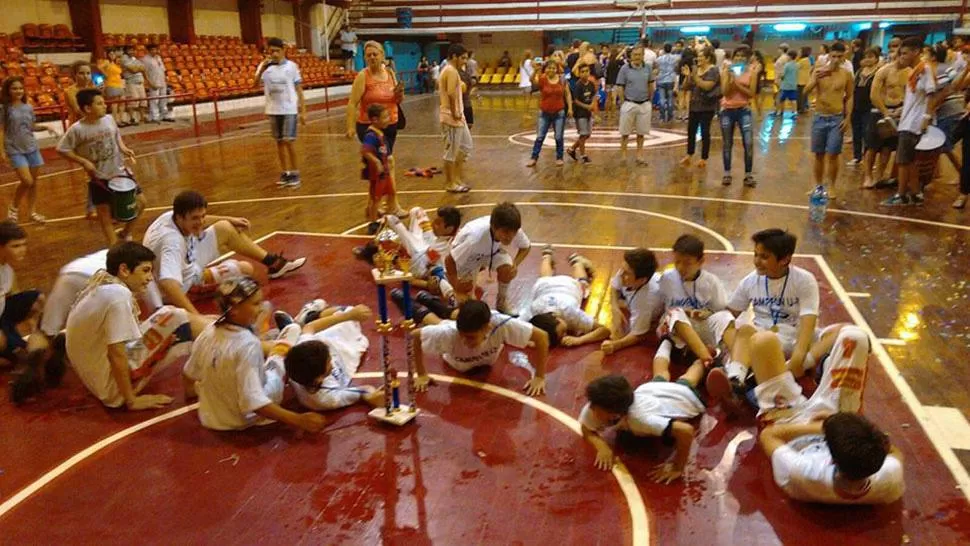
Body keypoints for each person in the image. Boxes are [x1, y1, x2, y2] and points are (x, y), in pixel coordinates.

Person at [753, 327, 905, 504]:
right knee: (855, 337)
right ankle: (818, 364)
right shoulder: (889, 477)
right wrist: (841, 425)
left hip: (790, 428)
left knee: (763, 341)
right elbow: (892, 450)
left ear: (830, 460)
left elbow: (769, 435)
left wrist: (826, 427)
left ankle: (807, 365)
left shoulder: (800, 471)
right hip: (836, 427)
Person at [706, 229, 847, 409]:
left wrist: (799, 355)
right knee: (738, 327)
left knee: (842, 330)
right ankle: (737, 380)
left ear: (784, 260)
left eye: (764, 257)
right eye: (755, 254)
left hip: (797, 339)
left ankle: (746, 376)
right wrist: (706, 316)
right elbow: (730, 313)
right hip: (766, 342)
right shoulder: (750, 281)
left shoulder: (804, 280)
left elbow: (808, 320)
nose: (757, 261)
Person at [66, 242, 209, 410]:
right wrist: (131, 400)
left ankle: (221, 335)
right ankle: (229, 354)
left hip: (96, 375)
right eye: (145, 270)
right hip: (112, 388)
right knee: (180, 320)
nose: (150, 278)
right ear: (125, 270)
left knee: (169, 313)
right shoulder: (118, 296)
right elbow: (116, 354)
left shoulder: (103, 281)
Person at [182, 276, 325, 432]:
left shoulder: (207, 332)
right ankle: (297, 325)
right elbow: (253, 402)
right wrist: (297, 420)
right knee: (281, 353)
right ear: (235, 309)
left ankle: (287, 330)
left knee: (272, 321)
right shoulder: (248, 345)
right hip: (242, 421)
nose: (260, 308)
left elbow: (188, 374)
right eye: (256, 304)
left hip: (210, 418)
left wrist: (196, 392)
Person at [142, 190, 306, 314]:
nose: (201, 222)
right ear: (180, 217)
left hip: (185, 265)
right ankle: (195, 291)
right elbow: (168, 283)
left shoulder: (172, 216)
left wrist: (229, 219)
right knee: (245, 270)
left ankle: (274, 263)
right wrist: (195, 316)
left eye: (202, 217)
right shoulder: (172, 243)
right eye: (195, 219)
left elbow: (200, 218)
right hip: (179, 287)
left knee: (225, 228)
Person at [579, 370, 706, 484]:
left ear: (613, 414)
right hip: (653, 390)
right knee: (680, 378)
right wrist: (601, 446)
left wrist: (677, 467)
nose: (590, 408)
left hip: (688, 398)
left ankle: (707, 362)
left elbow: (685, 431)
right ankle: (701, 362)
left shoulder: (639, 420)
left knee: (687, 383)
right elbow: (586, 427)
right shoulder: (598, 405)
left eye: (594, 407)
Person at [57, 88, 145, 245]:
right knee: (105, 217)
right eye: (99, 103)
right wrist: (83, 161)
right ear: (87, 108)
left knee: (141, 202)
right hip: (98, 178)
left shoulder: (109, 119)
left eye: (103, 102)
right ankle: (113, 249)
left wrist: (123, 148)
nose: (104, 105)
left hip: (120, 172)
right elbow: (62, 149)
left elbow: (116, 134)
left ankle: (125, 232)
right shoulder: (77, 129)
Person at [412, 299, 549, 397]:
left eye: (470, 337)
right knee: (440, 323)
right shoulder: (450, 333)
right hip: (453, 352)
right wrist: (421, 374)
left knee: (445, 321)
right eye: (463, 336)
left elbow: (542, 336)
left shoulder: (501, 324)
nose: (465, 342)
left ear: (487, 328)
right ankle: (413, 300)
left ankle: (428, 299)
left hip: (479, 344)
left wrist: (539, 377)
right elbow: (415, 336)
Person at [276, 301, 385, 411]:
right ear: (319, 379)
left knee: (350, 311)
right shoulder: (327, 399)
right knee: (358, 331)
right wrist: (373, 396)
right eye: (329, 362)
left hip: (331, 340)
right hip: (348, 352)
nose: (331, 362)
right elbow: (363, 391)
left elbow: (310, 328)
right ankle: (300, 321)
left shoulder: (302, 352)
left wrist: (348, 315)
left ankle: (308, 316)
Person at [653, 234, 733, 373]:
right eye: (677, 262)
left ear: (701, 261)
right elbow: (657, 306)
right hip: (677, 330)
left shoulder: (711, 281)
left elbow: (720, 310)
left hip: (701, 327)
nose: (681, 267)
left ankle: (738, 365)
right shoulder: (667, 278)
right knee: (675, 313)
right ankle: (709, 360)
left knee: (726, 317)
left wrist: (707, 313)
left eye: (687, 263)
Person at [356, 206, 461, 301]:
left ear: (450, 228)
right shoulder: (455, 233)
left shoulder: (445, 246)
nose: (433, 224)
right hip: (429, 245)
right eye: (435, 221)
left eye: (438, 224)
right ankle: (380, 246)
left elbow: (426, 266)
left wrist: (402, 245)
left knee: (391, 219)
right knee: (417, 211)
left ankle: (369, 251)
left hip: (419, 260)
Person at [445, 202, 531, 314]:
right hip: (467, 257)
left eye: (513, 233)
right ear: (494, 227)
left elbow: (526, 247)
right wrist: (456, 285)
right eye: (505, 232)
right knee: (467, 304)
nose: (510, 236)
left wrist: (515, 264)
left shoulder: (511, 227)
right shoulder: (474, 239)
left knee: (508, 269)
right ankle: (451, 288)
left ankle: (502, 301)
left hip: (489, 252)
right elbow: (449, 260)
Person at [519, 245, 610, 348]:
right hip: (545, 287)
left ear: (556, 318)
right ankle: (547, 255)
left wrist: (580, 340)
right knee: (544, 278)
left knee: (582, 283)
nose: (565, 335)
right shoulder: (534, 310)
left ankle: (577, 262)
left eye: (562, 332)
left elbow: (604, 331)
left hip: (569, 286)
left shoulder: (570, 313)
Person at [882, 37, 936, 207]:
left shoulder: (925, 70)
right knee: (910, 160)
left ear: (916, 52)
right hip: (908, 119)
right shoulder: (913, 72)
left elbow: (931, 95)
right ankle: (916, 193)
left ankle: (901, 195)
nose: (902, 56)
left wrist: (926, 118)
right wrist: (901, 111)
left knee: (903, 160)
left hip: (914, 123)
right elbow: (915, 97)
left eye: (905, 53)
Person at [1, 76, 56, 223]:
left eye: (20, 88)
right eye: (14, 88)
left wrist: (46, 127)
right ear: (8, 90)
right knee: (27, 181)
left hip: (31, 147)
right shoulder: (4, 109)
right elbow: (1, 130)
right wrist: (1, 151)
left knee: (34, 182)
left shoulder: (28, 107)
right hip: (14, 149)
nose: (18, 91)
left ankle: (32, 212)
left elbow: (31, 127)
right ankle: (13, 208)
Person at [804, 42, 854, 198]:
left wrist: (848, 118)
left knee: (833, 154)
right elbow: (805, 92)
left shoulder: (846, 74)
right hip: (819, 116)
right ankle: (818, 185)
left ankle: (831, 185)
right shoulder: (818, 71)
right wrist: (815, 79)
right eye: (833, 56)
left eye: (839, 57)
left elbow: (850, 96)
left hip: (836, 117)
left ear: (844, 57)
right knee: (818, 154)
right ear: (829, 56)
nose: (836, 59)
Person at [256, 37, 306, 188]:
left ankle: (295, 173)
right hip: (273, 109)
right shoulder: (266, 68)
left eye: (277, 51)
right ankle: (285, 172)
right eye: (271, 51)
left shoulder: (292, 67)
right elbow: (255, 83)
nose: (275, 54)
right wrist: (262, 69)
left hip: (289, 109)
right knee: (279, 142)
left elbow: (299, 89)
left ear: (283, 50)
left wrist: (303, 110)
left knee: (288, 141)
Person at [864, 39, 912, 189]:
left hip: (898, 111)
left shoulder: (910, 72)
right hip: (880, 110)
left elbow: (910, 95)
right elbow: (874, 95)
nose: (904, 59)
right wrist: (885, 112)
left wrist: (902, 109)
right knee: (872, 146)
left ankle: (879, 175)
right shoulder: (884, 70)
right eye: (902, 56)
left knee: (887, 148)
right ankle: (868, 176)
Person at [0, 221, 45, 365]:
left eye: (24, 244)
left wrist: (34, 331)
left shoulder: (7, 270)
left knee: (38, 298)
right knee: (18, 358)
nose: (22, 250)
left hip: (3, 316)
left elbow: (14, 297)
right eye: (15, 246)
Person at [602, 248, 661, 356]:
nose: (620, 275)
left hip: (653, 314)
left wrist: (616, 345)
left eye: (626, 273)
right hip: (634, 300)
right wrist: (614, 308)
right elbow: (614, 288)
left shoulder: (645, 301)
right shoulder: (626, 272)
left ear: (642, 280)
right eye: (622, 269)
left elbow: (639, 334)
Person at [39, 249, 107, 338]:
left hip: (69, 273)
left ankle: (38, 348)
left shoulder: (108, 252)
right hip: (98, 277)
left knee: (48, 329)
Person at [720, 46, 761, 187]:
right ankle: (727, 173)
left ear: (748, 58)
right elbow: (725, 92)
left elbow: (751, 93)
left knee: (748, 143)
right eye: (737, 55)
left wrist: (737, 84)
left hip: (744, 109)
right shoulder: (727, 71)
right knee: (727, 143)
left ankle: (748, 175)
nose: (739, 58)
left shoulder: (752, 73)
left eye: (742, 56)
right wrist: (731, 79)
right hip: (727, 110)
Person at [360, 103, 405, 224]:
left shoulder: (380, 133)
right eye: (385, 117)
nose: (388, 120)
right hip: (377, 173)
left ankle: (387, 215)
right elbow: (365, 151)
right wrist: (377, 162)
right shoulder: (371, 135)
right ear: (375, 119)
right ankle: (373, 221)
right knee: (376, 198)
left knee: (391, 192)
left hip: (384, 171)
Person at [438, 43, 474, 193]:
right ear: (454, 57)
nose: (465, 61)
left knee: (466, 146)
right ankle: (450, 182)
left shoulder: (452, 71)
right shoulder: (451, 71)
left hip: (459, 117)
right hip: (451, 116)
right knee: (451, 151)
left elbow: (459, 88)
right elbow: (452, 93)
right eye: (463, 58)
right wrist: (455, 112)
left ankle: (457, 178)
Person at [680, 47, 720, 168]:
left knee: (705, 132)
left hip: (707, 107)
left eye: (701, 56)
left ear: (708, 58)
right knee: (691, 131)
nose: (698, 59)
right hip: (694, 106)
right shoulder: (696, 70)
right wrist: (687, 76)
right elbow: (686, 87)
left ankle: (704, 157)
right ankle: (689, 154)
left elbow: (706, 86)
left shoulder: (713, 70)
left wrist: (694, 75)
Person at [527, 61, 572, 167]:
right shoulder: (542, 78)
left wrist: (570, 108)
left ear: (557, 69)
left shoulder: (562, 79)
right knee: (540, 136)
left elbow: (568, 94)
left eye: (553, 68)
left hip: (559, 112)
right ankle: (534, 157)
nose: (551, 70)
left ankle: (559, 157)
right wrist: (535, 70)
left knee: (558, 136)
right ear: (545, 69)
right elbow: (532, 81)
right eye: (549, 68)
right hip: (544, 113)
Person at [616, 46, 655, 165]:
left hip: (644, 104)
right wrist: (623, 102)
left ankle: (639, 156)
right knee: (625, 132)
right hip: (629, 103)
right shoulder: (624, 69)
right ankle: (623, 156)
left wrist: (649, 100)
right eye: (635, 55)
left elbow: (651, 85)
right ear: (630, 56)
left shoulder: (648, 68)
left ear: (643, 55)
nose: (637, 57)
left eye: (639, 54)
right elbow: (620, 86)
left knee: (641, 132)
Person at [848, 48, 879, 167]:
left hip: (870, 107)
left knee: (868, 134)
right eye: (866, 57)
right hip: (856, 106)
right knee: (856, 132)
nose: (868, 59)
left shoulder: (878, 72)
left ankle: (869, 159)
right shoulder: (859, 72)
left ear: (876, 58)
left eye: (871, 57)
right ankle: (857, 157)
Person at [567, 63, 596, 163]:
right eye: (582, 72)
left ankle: (572, 149)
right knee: (583, 135)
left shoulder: (591, 84)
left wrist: (592, 105)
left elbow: (594, 95)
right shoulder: (578, 86)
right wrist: (587, 106)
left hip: (588, 113)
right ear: (579, 73)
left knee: (587, 135)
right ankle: (583, 155)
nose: (585, 73)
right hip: (580, 114)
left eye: (587, 71)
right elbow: (575, 100)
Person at [142, 43, 174, 123]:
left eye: (155, 49)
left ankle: (164, 115)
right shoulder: (145, 59)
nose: (154, 51)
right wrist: (149, 83)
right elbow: (144, 72)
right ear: (148, 51)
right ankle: (155, 117)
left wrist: (166, 80)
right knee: (154, 100)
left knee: (163, 99)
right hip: (153, 82)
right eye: (152, 50)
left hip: (162, 81)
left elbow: (163, 69)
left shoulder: (158, 58)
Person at [97, 49, 127, 126]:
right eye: (110, 54)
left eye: (113, 54)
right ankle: (115, 120)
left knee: (122, 102)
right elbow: (99, 67)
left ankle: (120, 119)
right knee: (115, 103)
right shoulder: (107, 62)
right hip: (111, 84)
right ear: (108, 55)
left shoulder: (115, 63)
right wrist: (105, 74)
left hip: (119, 84)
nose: (112, 55)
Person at [121, 45, 148, 126]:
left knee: (143, 101)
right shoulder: (124, 58)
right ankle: (132, 118)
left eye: (133, 50)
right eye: (129, 50)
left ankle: (142, 117)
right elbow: (133, 69)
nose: (132, 52)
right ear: (126, 51)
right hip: (131, 82)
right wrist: (137, 68)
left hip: (140, 82)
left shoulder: (134, 58)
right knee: (132, 102)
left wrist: (137, 68)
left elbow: (143, 68)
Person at [64, 60, 96, 125]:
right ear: (74, 74)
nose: (85, 76)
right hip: (77, 125)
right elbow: (78, 111)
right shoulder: (70, 91)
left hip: (93, 123)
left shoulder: (93, 88)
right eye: (81, 73)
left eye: (88, 73)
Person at [656, 43, 678, 123]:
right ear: (671, 49)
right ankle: (670, 117)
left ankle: (662, 117)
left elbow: (657, 68)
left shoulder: (659, 59)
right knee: (670, 99)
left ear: (664, 50)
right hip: (671, 79)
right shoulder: (675, 58)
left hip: (661, 79)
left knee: (662, 99)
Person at [775, 51, 800, 119]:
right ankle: (795, 112)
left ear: (790, 57)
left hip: (785, 85)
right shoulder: (797, 65)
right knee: (793, 99)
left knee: (781, 99)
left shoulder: (787, 65)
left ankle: (780, 111)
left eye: (788, 56)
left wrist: (779, 76)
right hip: (793, 84)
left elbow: (783, 74)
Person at [773, 44, 790, 109]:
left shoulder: (784, 58)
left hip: (781, 79)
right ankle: (779, 110)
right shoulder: (783, 57)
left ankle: (779, 110)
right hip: (779, 78)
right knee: (779, 95)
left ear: (782, 49)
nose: (778, 50)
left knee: (779, 95)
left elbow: (784, 69)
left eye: (779, 49)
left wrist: (779, 78)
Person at [797, 46, 813, 114]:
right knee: (804, 95)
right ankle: (804, 108)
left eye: (799, 51)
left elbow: (795, 67)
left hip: (801, 81)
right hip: (805, 80)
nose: (798, 53)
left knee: (801, 96)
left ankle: (801, 109)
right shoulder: (807, 59)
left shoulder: (803, 60)